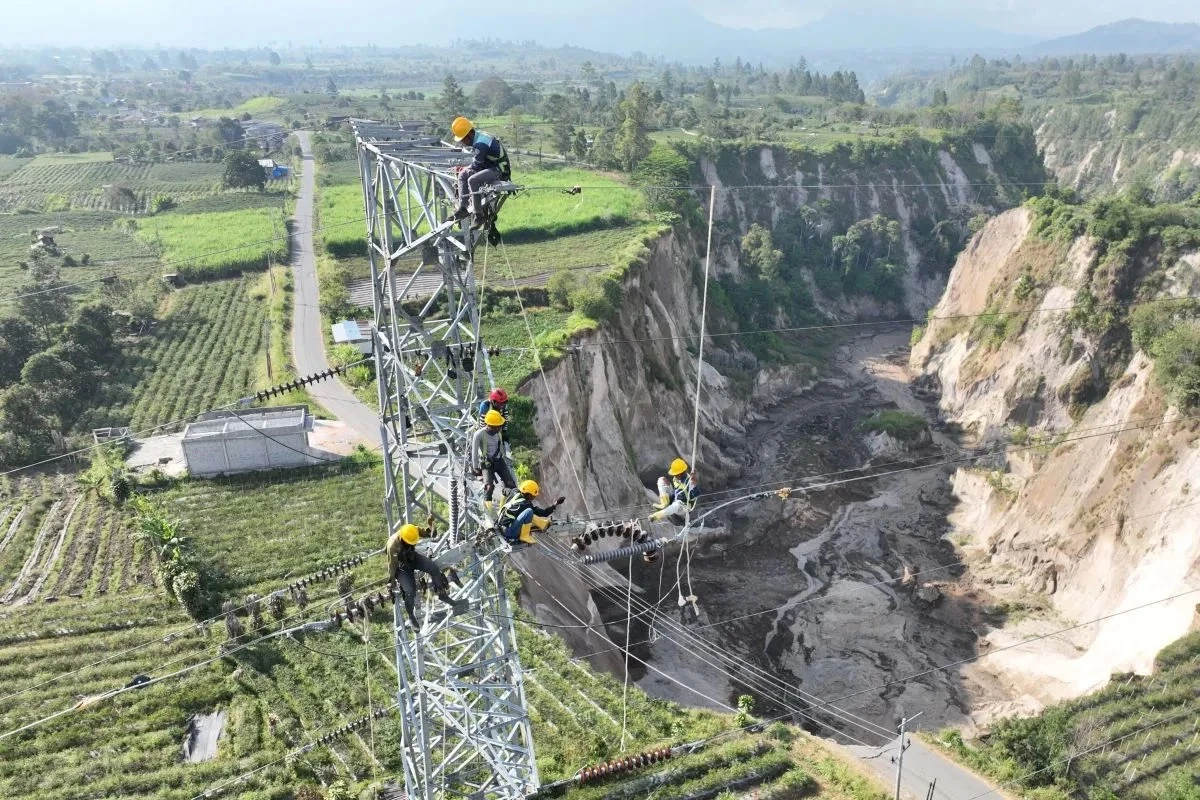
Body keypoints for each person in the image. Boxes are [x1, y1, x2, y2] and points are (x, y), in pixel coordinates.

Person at [385, 522, 456, 627]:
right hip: (402, 567)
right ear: (403, 539)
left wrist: (431, 526)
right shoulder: (393, 546)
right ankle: (411, 615)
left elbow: (429, 533)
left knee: (433, 569)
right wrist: (391, 580)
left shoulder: (413, 530)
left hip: (412, 557)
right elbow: (392, 564)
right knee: (410, 591)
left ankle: (442, 594)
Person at [450, 116, 512, 226]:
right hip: (489, 166)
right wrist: (465, 169)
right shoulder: (478, 136)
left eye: (463, 139)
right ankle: (463, 207)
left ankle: (479, 215)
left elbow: (477, 165)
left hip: (499, 170)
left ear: (469, 135)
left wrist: (467, 168)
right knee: (462, 175)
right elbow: (477, 162)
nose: (463, 143)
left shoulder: (480, 144)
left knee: (473, 180)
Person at [496, 480, 564, 545]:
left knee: (525, 514)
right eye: (533, 496)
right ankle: (524, 536)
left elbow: (504, 491)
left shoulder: (514, 491)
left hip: (500, 524)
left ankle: (540, 524)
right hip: (509, 532)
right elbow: (544, 513)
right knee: (529, 512)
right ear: (528, 495)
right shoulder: (527, 504)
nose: (533, 498)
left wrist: (501, 506)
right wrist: (556, 504)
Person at [471, 409, 517, 503]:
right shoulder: (479, 434)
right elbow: (474, 452)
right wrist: (475, 468)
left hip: (499, 460)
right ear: (491, 426)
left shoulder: (498, 433)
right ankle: (488, 508)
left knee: (511, 484)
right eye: (498, 426)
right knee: (489, 487)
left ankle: (504, 503)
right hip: (487, 464)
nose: (500, 428)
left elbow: (501, 446)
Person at [649, 458, 699, 522]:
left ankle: (656, 516)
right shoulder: (675, 479)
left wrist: (694, 484)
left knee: (677, 504)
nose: (674, 475)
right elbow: (676, 491)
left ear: (681, 473)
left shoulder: (689, 482)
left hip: (683, 507)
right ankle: (664, 503)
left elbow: (695, 495)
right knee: (662, 479)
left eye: (676, 474)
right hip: (675, 499)